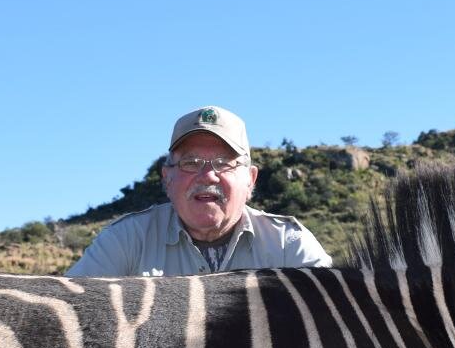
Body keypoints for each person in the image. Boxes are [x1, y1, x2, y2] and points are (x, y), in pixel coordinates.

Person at [66, 105, 333, 277]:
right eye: (190, 163)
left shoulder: (289, 245)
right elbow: (75, 310)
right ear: (167, 178)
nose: (207, 175)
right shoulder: (125, 241)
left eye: (224, 164)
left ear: (250, 179)